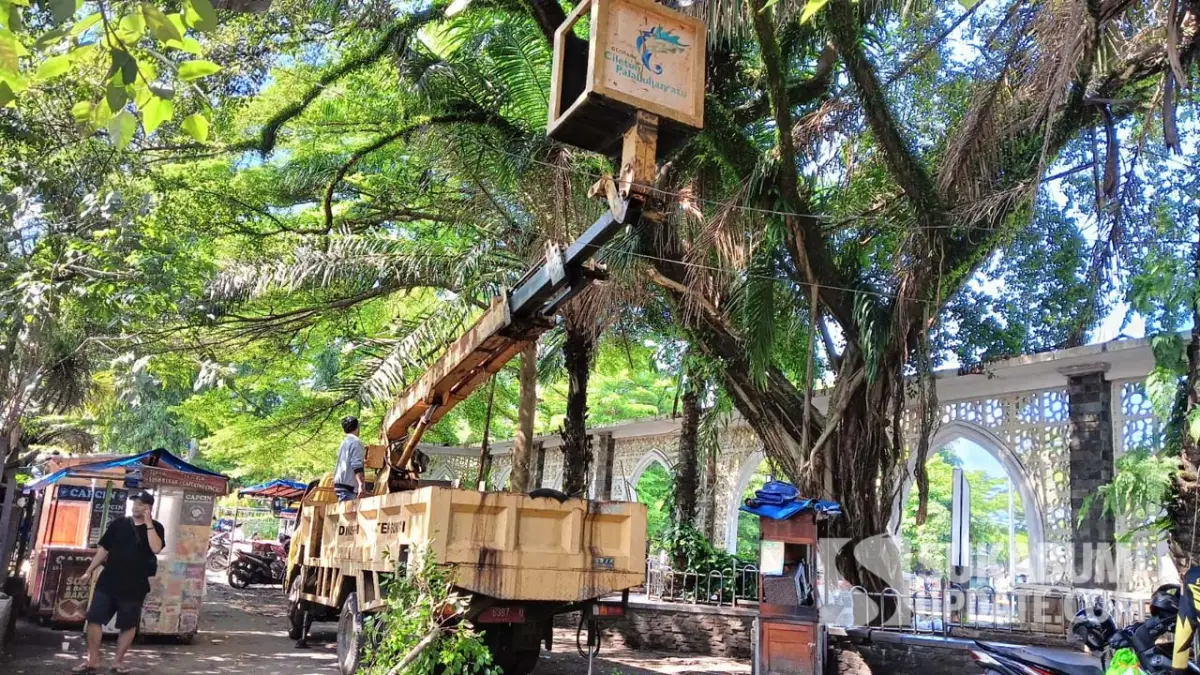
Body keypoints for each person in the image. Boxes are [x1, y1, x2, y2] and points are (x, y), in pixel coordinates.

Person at [74, 491, 165, 675]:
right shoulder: (119, 524)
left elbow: (156, 548)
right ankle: (92, 660)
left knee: (128, 624)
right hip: (109, 580)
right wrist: (88, 571)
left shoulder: (156, 527)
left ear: (149, 507)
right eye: (134, 503)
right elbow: (104, 549)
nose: (135, 507)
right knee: (94, 618)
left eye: (140, 504)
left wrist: (148, 524)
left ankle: (117, 663)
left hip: (135, 584)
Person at [334, 415, 367, 501]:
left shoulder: (344, 442)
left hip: (340, 486)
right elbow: (356, 465)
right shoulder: (356, 442)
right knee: (349, 514)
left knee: (344, 513)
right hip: (349, 488)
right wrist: (360, 484)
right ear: (357, 427)